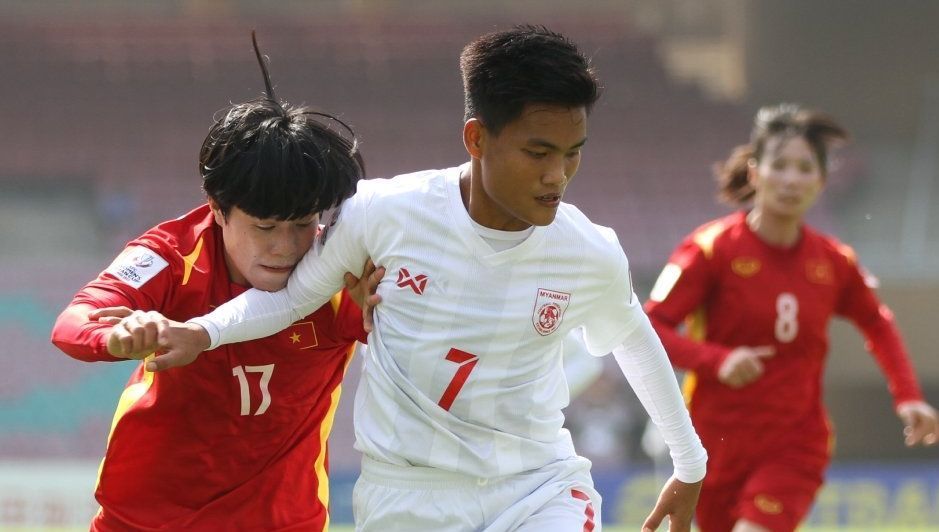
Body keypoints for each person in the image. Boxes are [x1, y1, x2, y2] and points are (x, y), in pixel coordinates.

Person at [153, 25, 707, 531]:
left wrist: (689, 464)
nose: (556, 175)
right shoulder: (381, 214)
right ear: (476, 138)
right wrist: (202, 333)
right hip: (406, 496)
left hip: (539, 487)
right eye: (538, 153)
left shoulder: (588, 251)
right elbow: (294, 300)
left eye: (572, 154)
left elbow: (634, 341)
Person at [49, 34, 373, 531]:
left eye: (303, 223)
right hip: (141, 523)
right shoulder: (170, 256)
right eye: (265, 226)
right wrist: (113, 337)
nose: (286, 246)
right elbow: (74, 323)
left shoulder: (337, 270)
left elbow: (413, 338)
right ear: (217, 209)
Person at [643, 103, 939, 532]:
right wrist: (717, 359)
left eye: (804, 168)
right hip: (714, 443)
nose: (791, 178)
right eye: (779, 165)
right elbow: (651, 326)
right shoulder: (711, 249)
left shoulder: (835, 262)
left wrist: (907, 395)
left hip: (795, 442)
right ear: (754, 172)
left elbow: (877, 321)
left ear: (821, 181)